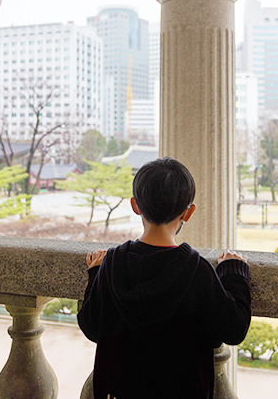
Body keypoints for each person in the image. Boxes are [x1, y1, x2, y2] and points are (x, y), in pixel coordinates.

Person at [77, 157, 251, 399]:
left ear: (135, 206)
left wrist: (96, 274)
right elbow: (234, 330)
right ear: (188, 212)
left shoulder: (112, 264)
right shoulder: (196, 270)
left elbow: (91, 325)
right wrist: (233, 273)